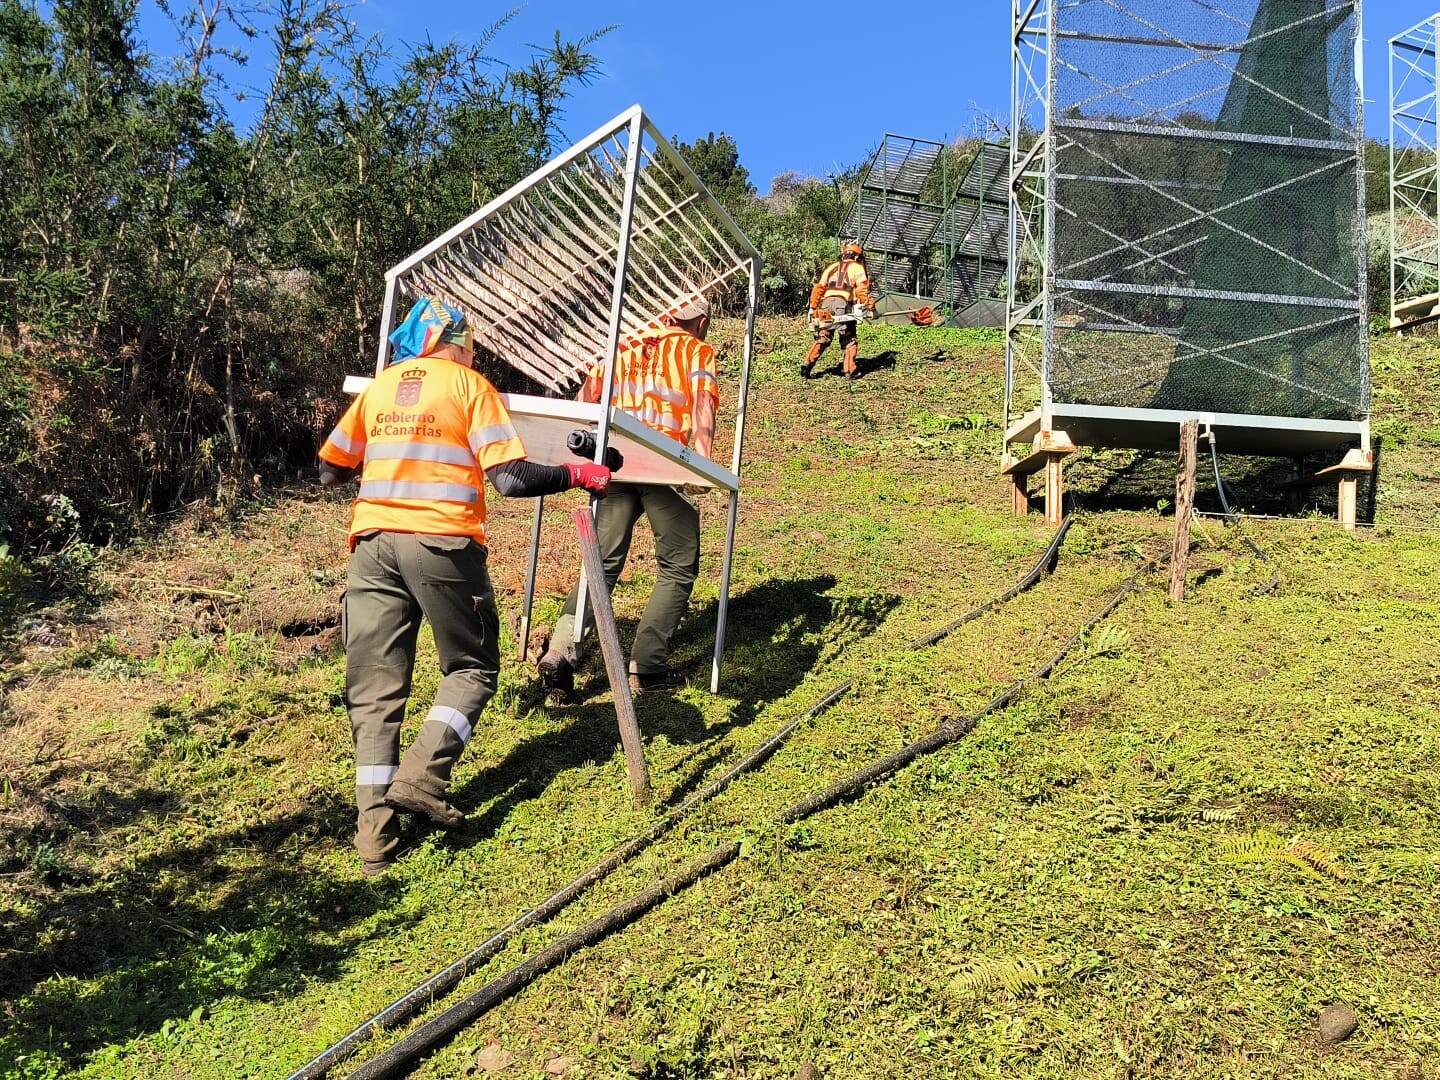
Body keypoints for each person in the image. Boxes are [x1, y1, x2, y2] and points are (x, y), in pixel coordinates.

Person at [318, 297, 612, 875]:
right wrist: (578, 473)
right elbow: (511, 479)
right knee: (473, 668)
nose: (473, 354)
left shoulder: (379, 389)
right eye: (470, 345)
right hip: (442, 544)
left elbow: (330, 469)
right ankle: (422, 777)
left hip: (372, 547)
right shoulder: (470, 386)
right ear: (449, 343)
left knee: (374, 693)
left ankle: (375, 843)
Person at [536, 295, 719, 699]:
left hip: (615, 462)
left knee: (600, 563)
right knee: (678, 562)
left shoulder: (622, 344)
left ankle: (561, 651)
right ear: (701, 323)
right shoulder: (696, 350)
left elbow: (584, 401)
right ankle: (648, 666)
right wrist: (702, 463)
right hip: (660, 465)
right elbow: (703, 402)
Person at [802, 241, 874, 379]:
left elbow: (819, 288)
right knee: (849, 338)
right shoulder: (857, 267)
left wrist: (812, 308)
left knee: (824, 335)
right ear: (857, 257)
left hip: (826, 303)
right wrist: (870, 306)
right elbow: (861, 289)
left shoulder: (832, 267)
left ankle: (807, 363)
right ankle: (850, 370)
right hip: (843, 304)